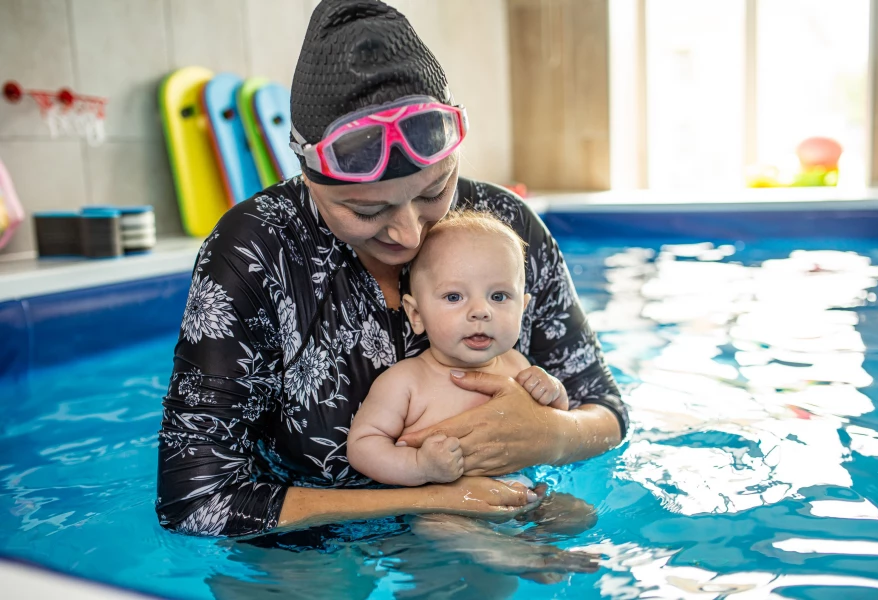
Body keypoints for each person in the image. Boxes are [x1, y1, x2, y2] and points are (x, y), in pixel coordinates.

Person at [156, 0, 627, 550]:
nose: (409, 235)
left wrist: (552, 436)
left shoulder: (503, 228)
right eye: (365, 210)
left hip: (496, 514)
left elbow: (606, 410)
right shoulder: (256, 252)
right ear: (310, 176)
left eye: (433, 192)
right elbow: (196, 499)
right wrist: (429, 498)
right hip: (310, 539)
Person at [348, 210, 571, 487]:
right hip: (448, 512)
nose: (480, 311)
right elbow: (363, 445)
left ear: (522, 310)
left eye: (498, 296)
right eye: (454, 297)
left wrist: (553, 391)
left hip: (525, 495)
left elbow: (554, 421)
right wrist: (421, 467)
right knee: (445, 529)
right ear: (416, 314)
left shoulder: (519, 367)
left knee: (577, 516)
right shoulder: (406, 382)